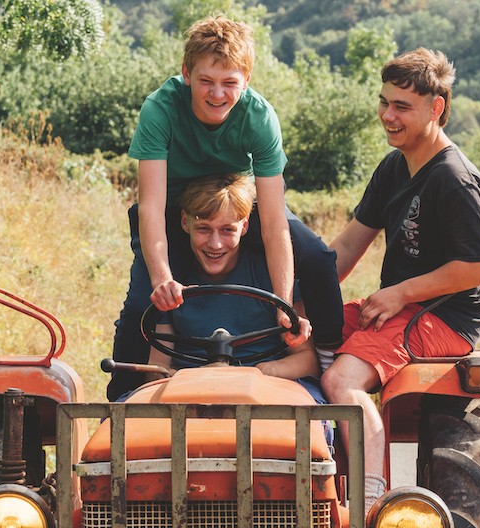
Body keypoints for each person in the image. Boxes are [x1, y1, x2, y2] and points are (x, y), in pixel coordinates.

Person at [108, 15, 343, 400]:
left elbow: (272, 221)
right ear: (186, 74)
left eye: (230, 84)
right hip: (174, 205)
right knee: (139, 306)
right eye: (207, 82)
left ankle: (328, 356)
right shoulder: (160, 110)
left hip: (234, 200)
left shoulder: (260, 117)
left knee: (316, 257)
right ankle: (119, 399)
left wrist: (284, 304)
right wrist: (161, 278)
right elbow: (151, 206)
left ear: (246, 81)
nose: (218, 94)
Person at [320, 48, 480, 511]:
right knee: (297, 343)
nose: (388, 115)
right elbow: (346, 249)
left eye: (401, 107)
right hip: (401, 306)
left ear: (435, 108)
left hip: (445, 316)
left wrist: (400, 293)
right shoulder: (395, 166)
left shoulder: (454, 180)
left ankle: (371, 508)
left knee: (343, 383)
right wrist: (293, 305)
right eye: (384, 103)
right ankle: (313, 483)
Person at [146, 173, 320, 390]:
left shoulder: (273, 275)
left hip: (268, 389)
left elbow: (308, 360)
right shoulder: (172, 281)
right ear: (184, 222)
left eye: (227, 230)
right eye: (203, 229)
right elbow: (157, 367)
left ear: (244, 226)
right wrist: (192, 378)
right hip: (191, 391)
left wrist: (258, 373)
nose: (215, 244)